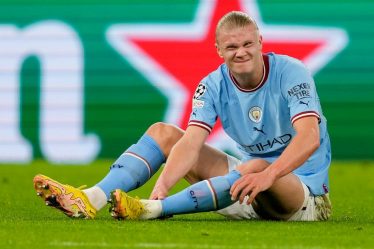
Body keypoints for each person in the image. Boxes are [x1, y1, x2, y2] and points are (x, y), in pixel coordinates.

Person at [33, 11, 332, 221]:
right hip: (242, 187)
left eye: (247, 44)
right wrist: (163, 185)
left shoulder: (291, 72)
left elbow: (309, 137)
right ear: (218, 50)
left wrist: (267, 175)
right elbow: (190, 144)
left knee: (254, 165)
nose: (241, 52)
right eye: (231, 47)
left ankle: (150, 210)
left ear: (260, 42)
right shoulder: (212, 85)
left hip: (303, 197)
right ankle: (92, 199)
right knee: (164, 133)